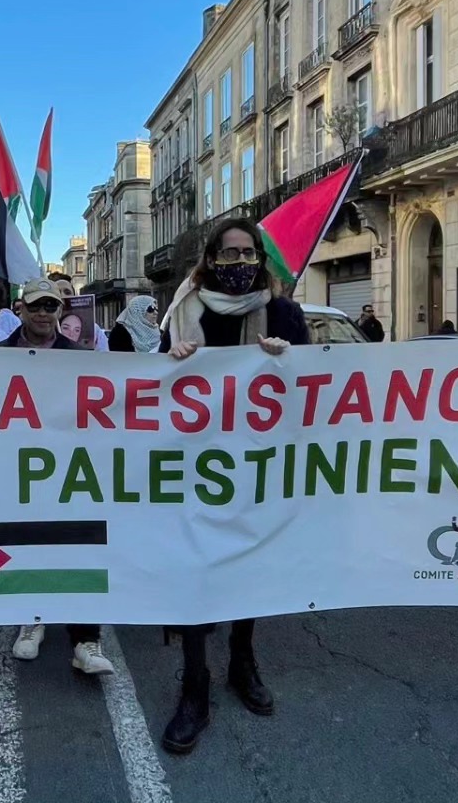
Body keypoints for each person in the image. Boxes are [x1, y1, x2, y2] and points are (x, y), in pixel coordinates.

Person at [158, 218, 309, 753]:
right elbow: (152, 392)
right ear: (213, 259)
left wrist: (284, 362)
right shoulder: (183, 314)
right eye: (231, 253)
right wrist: (170, 363)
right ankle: (193, 685)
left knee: (248, 566)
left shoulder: (285, 313)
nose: (241, 262)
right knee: (198, 571)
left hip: (256, 468)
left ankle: (243, 661)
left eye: (250, 253)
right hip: (194, 469)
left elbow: (313, 389)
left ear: (260, 259)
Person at [0, 279, 115, 679]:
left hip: (69, 467)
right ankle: (32, 619)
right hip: (18, 469)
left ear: (61, 311)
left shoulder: (80, 358)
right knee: (26, 541)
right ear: (22, 309)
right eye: (37, 306)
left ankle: (85, 640)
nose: (44, 313)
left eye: (52, 305)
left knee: (78, 545)